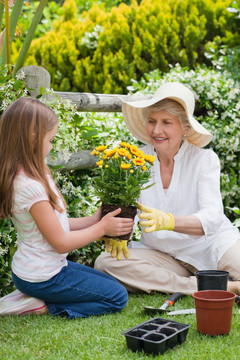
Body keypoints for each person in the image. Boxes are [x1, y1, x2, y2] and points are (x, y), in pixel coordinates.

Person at [94, 82, 240, 296]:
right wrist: (113, 230)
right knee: (105, 263)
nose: (156, 130)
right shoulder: (136, 160)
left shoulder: (204, 159)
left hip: (211, 247)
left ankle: (185, 282)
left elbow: (212, 219)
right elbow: (128, 213)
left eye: (166, 123)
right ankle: (209, 286)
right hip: (162, 253)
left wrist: (169, 221)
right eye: (152, 121)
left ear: (185, 129)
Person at [0, 97, 134, 318]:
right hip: (42, 276)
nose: (52, 146)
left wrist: (94, 219)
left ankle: (29, 295)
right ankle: (40, 306)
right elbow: (61, 243)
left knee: (111, 284)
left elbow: (54, 226)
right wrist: (101, 229)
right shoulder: (29, 187)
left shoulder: (34, 174)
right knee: (117, 297)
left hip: (41, 270)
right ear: (32, 138)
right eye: (50, 140)